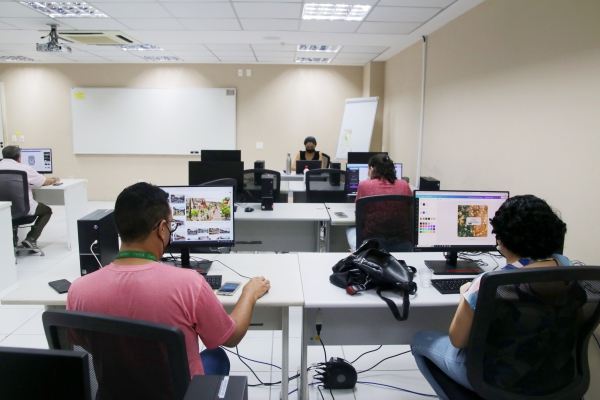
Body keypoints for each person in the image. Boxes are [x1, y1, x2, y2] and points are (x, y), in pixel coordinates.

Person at [67, 182, 270, 376]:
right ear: (161, 228)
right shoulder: (189, 284)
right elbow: (231, 337)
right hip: (179, 393)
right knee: (216, 356)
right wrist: (249, 293)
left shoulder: (79, 290)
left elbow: (83, 343)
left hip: (114, 392)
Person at [411, 195, 568, 399]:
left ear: (501, 237)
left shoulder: (488, 283)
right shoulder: (569, 269)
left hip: (498, 377)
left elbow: (457, 340)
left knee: (420, 339)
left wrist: (466, 294)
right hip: (556, 373)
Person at [346, 153, 412, 251]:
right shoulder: (404, 185)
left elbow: (359, 213)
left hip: (373, 246)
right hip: (402, 244)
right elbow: (410, 212)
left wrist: (369, 180)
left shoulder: (364, 185)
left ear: (371, 169)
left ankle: (357, 252)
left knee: (349, 227)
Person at [0, 145, 60, 249]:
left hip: (3, 209)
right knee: (46, 211)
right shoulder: (23, 168)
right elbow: (45, 182)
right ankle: (31, 238)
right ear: (19, 157)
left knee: (11, 214)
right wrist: (54, 179)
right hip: (22, 209)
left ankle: (12, 240)